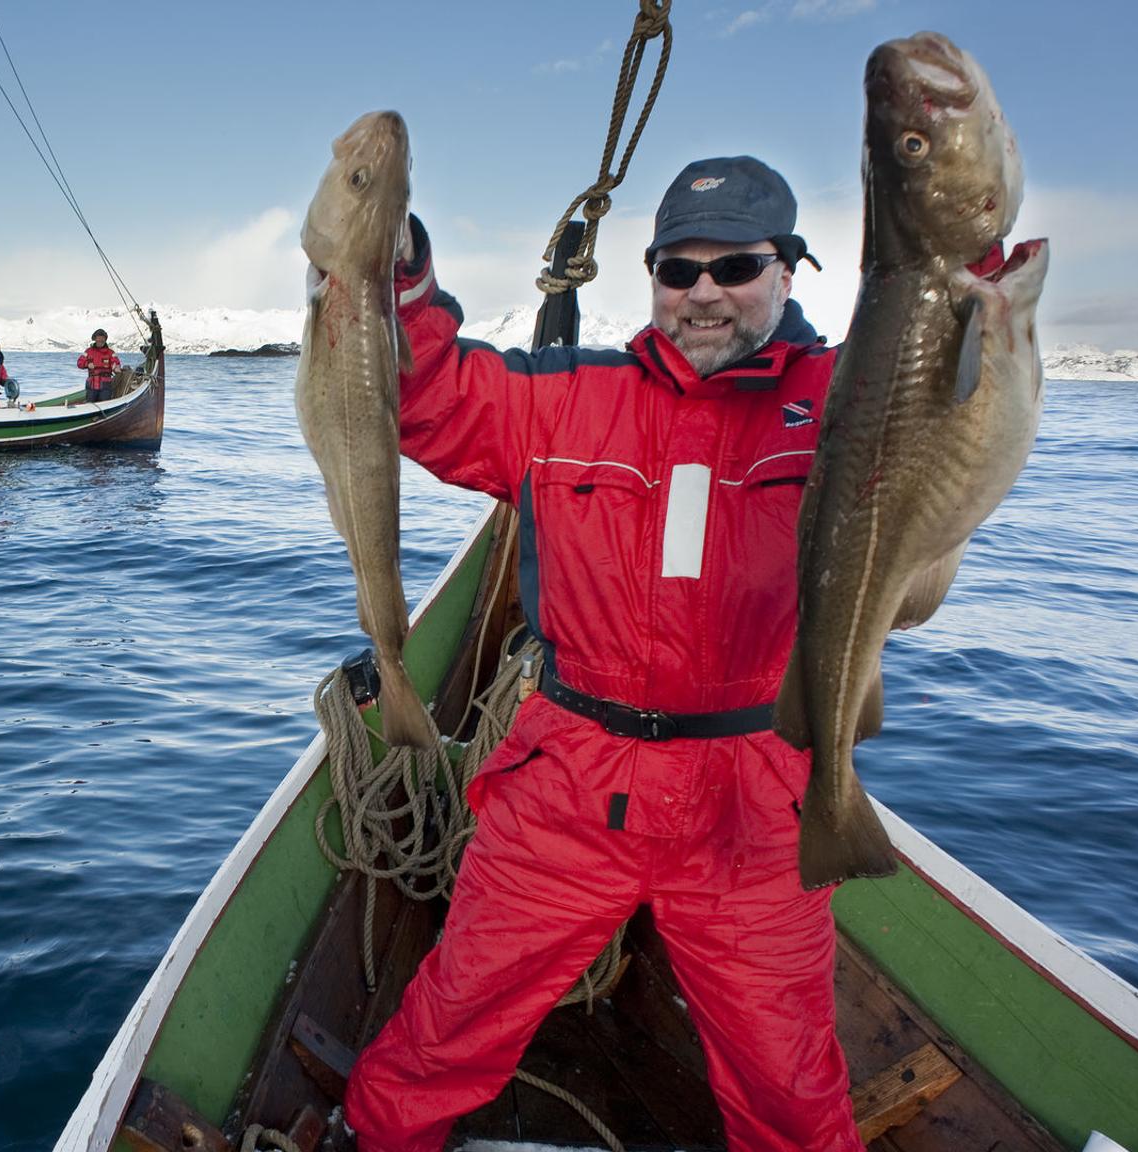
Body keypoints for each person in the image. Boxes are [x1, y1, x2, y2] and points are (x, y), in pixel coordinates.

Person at [341, 157, 861, 1152]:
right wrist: (393, 264)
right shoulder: (569, 395)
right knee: (447, 1027)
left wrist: (964, 254)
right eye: (677, 269)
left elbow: (950, 392)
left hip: (753, 802)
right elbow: (424, 399)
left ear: (786, 271)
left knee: (790, 1089)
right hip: (570, 778)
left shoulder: (844, 402)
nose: (702, 292)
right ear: (652, 277)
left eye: (734, 267)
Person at [76, 328, 123, 403]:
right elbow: (79, 363)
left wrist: (116, 368)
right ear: (95, 339)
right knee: (90, 405)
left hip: (105, 385)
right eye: (98, 339)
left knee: (105, 404)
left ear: (105, 340)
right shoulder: (88, 351)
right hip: (91, 385)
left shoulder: (111, 353)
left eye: (102, 339)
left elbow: (116, 363)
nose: (100, 341)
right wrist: (87, 364)